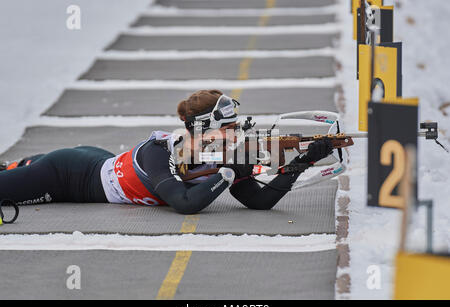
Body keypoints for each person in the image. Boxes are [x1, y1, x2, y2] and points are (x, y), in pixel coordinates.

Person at [0, 90, 332, 214]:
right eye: (228, 130)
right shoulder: (161, 152)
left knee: (14, 172)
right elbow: (185, 204)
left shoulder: (217, 155)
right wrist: (230, 172)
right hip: (68, 175)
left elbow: (259, 202)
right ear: (204, 129)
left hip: (95, 159)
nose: (235, 136)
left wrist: (303, 162)